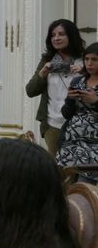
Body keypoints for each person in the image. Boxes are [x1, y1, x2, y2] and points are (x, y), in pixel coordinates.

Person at [27, 19, 86, 155]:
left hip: (81, 123)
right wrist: (42, 74)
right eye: (53, 35)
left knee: (80, 165)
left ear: (71, 36)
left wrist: (85, 72)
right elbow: (30, 91)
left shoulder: (85, 59)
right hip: (53, 125)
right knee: (56, 166)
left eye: (61, 34)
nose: (56, 38)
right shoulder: (47, 60)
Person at [56, 42, 98, 182]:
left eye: (94, 59)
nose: (89, 63)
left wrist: (95, 101)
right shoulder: (77, 81)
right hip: (73, 142)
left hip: (94, 146)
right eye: (87, 59)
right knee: (66, 183)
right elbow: (66, 114)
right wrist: (70, 99)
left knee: (85, 185)